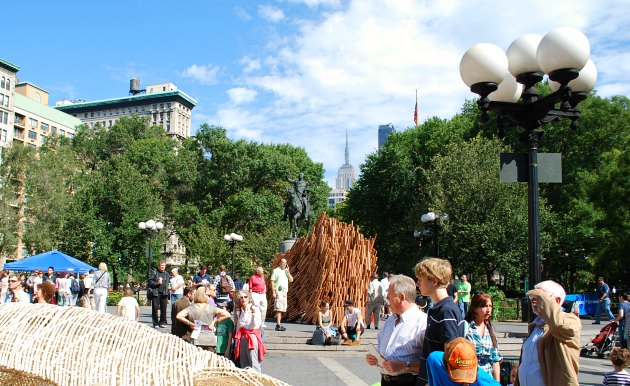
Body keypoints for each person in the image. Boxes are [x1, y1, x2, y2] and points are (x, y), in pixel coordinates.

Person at [365, 275, 428, 386]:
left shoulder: (422, 322)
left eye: (389, 294)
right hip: (386, 381)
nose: (386, 298)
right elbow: (382, 349)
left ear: (402, 297)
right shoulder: (390, 320)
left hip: (409, 382)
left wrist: (405, 366)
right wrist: (375, 358)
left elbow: (431, 364)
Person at [517, 280, 580, 386]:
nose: (533, 302)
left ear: (557, 300)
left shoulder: (570, 321)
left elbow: (559, 325)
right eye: (532, 298)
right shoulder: (535, 326)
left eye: (539, 298)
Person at [414, 257, 465, 385]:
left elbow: (450, 354)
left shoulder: (446, 311)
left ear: (434, 281)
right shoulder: (440, 309)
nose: (417, 284)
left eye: (420, 280)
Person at [425, 337, 501, 386]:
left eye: (469, 375)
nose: (466, 383)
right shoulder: (434, 361)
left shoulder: (483, 381)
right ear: (446, 365)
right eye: (459, 377)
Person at [464, 293, 502, 381]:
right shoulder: (466, 327)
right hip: (471, 378)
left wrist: (497, 383)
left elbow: (495, 359)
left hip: (487, 378)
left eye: (490, 306)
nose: (488, 310)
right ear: (475, 308)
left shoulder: (490, 330)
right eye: (484, 306)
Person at [233, 290, 266, 373]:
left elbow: (253, 326)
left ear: (249, 298)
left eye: (245, 297)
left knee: (253, 363)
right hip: (242, 338)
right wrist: (236, 343)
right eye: (241, 297)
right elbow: (238, 327)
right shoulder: (241, 311)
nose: (243, 299)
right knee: (243, 363)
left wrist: (253, 314)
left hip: (251, 337)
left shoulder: (254, 309)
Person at [270, 258, 293, 331]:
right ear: (280, 263)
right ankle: (278, 324)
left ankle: (279, 324)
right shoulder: (276, 270)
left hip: (284, 292)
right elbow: (272, 281)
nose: (284, 264)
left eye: (285, 263)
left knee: (282, 308)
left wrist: (288, 272)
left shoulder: (286, 271)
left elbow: (291, 280)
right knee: (279, 308)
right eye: (283, 262)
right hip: (279, 291)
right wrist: (273, 292)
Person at [148, 260, 170, 328]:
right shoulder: (154, 273)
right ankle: (155, 323)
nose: (162, 267)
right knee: (155, 308)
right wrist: (156, 283)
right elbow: (150, 282)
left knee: (164, 308)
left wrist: (168, 287)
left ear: (165, 266)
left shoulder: (167, 274)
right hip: (156, 293)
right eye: (161, 266)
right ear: (158, 266)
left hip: (164, 293)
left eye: (163, 266)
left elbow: (168, 282)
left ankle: (163, 322)